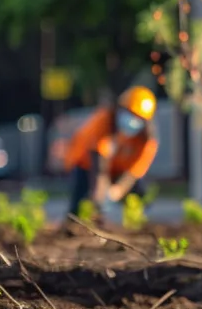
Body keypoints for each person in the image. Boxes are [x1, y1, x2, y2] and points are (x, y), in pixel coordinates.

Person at [63, 86, 160, 221]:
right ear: (120, 108)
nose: (132, 120)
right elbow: (99, 169)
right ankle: (78, 224)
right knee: (81, 201)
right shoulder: (103, 122)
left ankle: (137, 224)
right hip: (86, 164)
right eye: (129, 113)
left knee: (140, 192)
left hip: (118, 169)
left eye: (138, 117)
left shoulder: (147, 142)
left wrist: (118, 189)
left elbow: (134, 172)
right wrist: (99, 198)